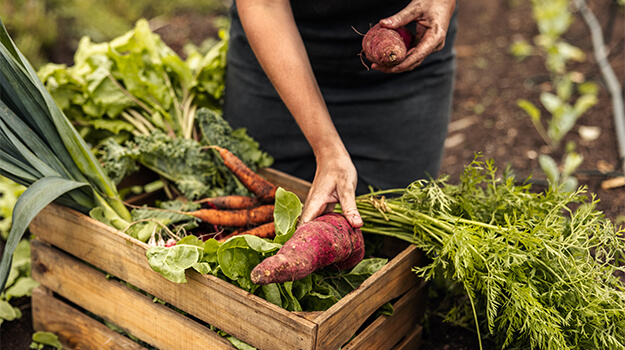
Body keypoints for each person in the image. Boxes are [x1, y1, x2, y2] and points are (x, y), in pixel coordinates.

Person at [223, 0, 458, 229]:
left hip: (407, 48)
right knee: (262, 212)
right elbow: (264, 4)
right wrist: (326, 148)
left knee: (398, 225)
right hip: (278, 56)